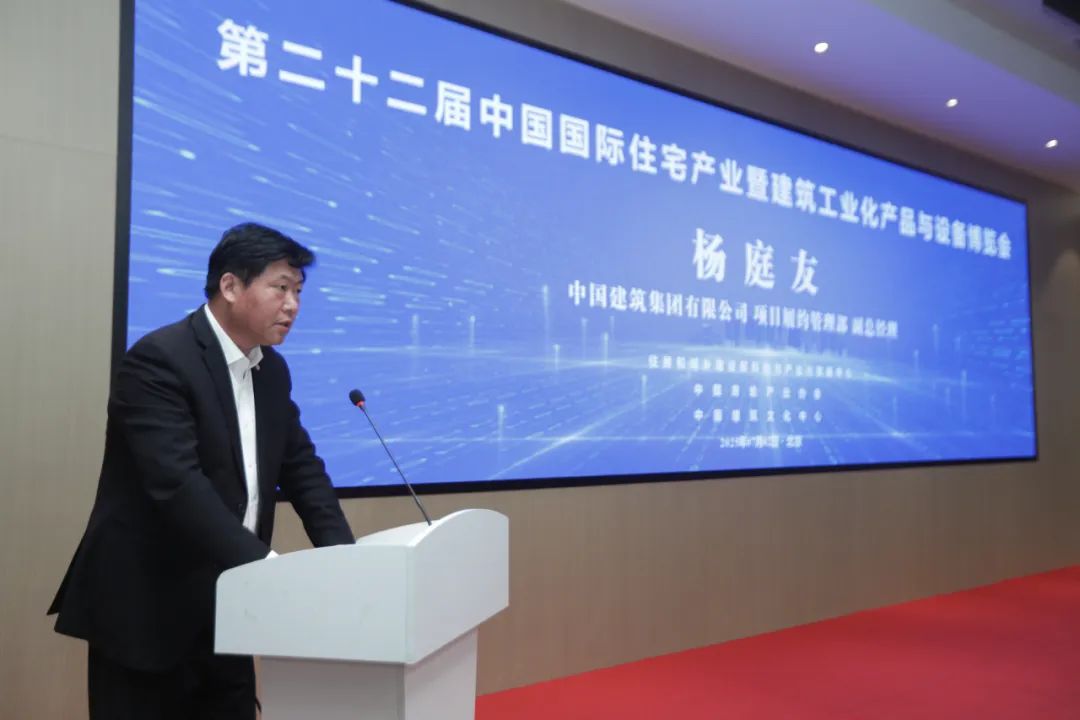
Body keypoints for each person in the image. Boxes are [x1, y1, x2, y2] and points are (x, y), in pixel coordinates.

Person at [48, 222, 355, 719]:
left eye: (299, 291)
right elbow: (176, 484)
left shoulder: (271, 370)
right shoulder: (160, 360)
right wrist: (266, 567)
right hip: (146, 610)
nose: (293, 305)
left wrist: (347, 561)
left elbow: (302, 468)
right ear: (230, 286)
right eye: (280, 287)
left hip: (228, 611)